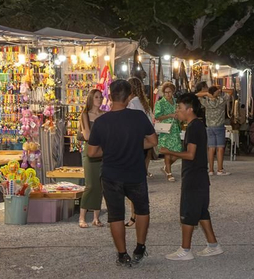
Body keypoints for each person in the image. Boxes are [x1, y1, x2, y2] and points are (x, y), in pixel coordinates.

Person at [87, 79, 158, 267]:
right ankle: (140, 248)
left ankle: (122, 254)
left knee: (116, 215)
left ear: (110, 97)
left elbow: (92, 152)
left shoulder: (101, 122)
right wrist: (135, 145)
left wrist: (110, 149)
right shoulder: (139, 117)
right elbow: (153, 141)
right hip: (135, 172)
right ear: (128, 97)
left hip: (111, 174)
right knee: (142, 210)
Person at [162, 92, 222, 260]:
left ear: (189, 110)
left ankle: (185, 250)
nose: (177, 111)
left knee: (188, 213)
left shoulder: (193, 127)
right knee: (202, 212)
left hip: (194, 177)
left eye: (179, 108)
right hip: (200, 176)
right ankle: (213, 245)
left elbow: (190, 154)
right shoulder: (197, 125)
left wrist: (169, 152)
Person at [76, 88, 105, 229]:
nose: (99, 99)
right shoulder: (85, 115)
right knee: (90, 184)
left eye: (100, 97)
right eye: (96, 97)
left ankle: (96, 218)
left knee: (100, 184)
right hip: (90, 150)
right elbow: (87, 136)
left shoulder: (104, 115)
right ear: (91, 99)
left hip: (103, 150)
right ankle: (82, 217)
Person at [198, 82, 230, 175]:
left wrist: (207, 94)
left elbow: (197, 95)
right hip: (219, 126)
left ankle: (211, 170)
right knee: (220, 148)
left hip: (209, 127)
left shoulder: (206, 102)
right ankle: (220, 169)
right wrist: (220, 91)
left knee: (211, 148)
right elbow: (230, 93)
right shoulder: (221, 100)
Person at [153, 82, 183, 181]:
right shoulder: (160, 103)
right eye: (166, 92)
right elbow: (157, 116)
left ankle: (166, 167)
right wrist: (170, 115)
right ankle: (169, 173)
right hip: (165, 129)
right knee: (167, 152)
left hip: (175, 128)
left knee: (178, 151)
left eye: (169, 92)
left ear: (173, 92)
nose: (168, 94)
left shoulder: (176, 102)